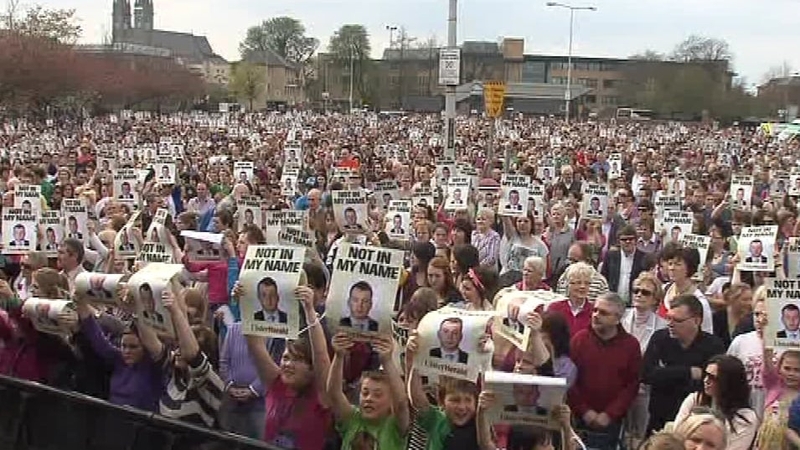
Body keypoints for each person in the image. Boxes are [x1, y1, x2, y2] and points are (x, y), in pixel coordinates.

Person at [643, 295, 726, 435]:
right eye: (668, 318)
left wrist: (666, 372)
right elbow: (646, 374)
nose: (670, 323)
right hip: (659, 417)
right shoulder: (660, 338)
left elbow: (712, 383)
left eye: (677, 320)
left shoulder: (713, 345)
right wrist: (688, 372)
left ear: (697, 320)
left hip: (695, 420)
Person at [569, 293, 642, 448]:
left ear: (617, 319)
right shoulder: (579, 340)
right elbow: (569, 380)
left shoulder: (631, 346)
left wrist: (610, 414)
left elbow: (632, 385)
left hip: (613, 424)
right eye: (595, 310)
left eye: (603, 313)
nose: (596, 315)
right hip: (579, 420)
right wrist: (584, 411)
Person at [673, 355, 757, 450]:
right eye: (706, 375)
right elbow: (677, 435)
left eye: (713, 378)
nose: (706, 381)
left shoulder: (745, 417)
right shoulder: (694, 399)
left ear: (729, 382)